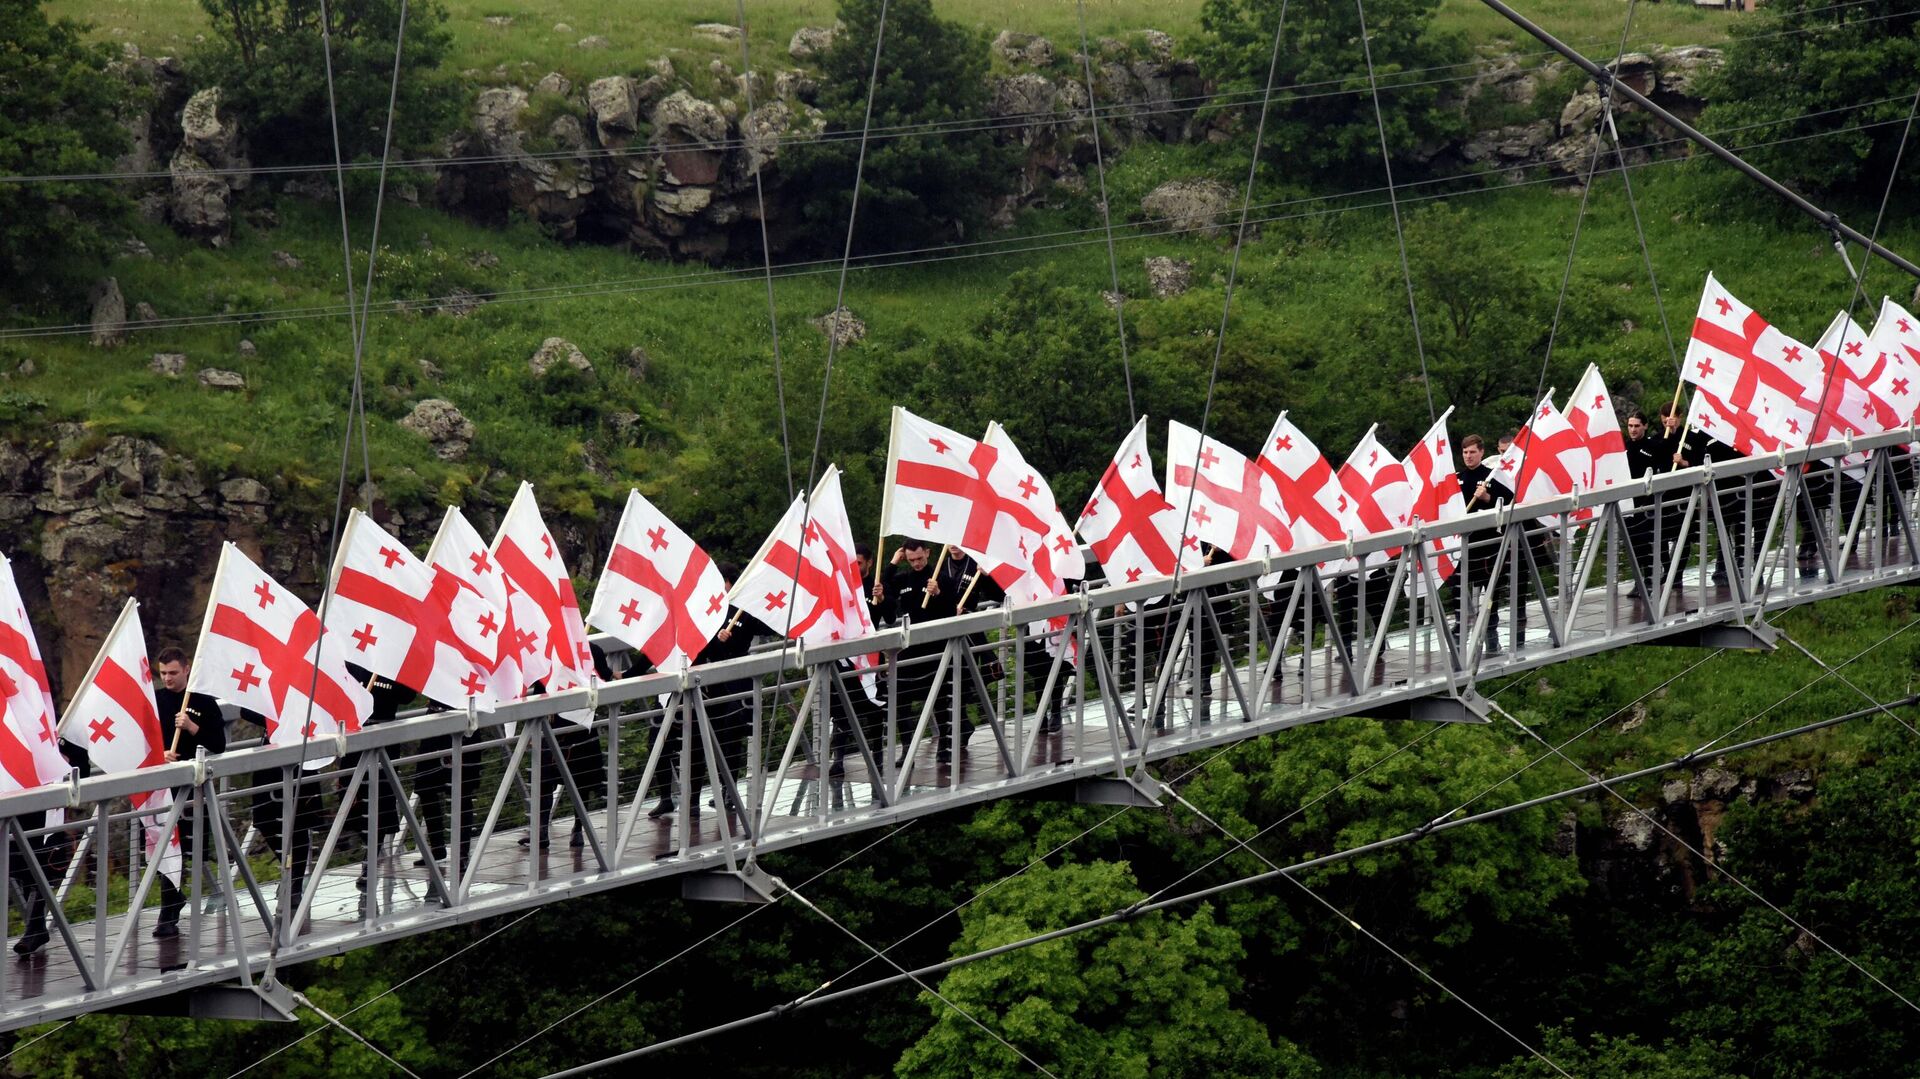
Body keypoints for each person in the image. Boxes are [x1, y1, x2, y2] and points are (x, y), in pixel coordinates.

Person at [150, 646, 225, 934]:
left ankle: (180, 907)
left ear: (186, 669)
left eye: (173, 673)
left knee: (191, 851)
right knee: (165, 850)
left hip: (195, 791)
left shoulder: (203, 701)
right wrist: (160, 754)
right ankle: (168, 914)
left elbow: (219, 744)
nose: (167, 678)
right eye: (163, 673)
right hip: (164, 789)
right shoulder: (155, 701)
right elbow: (146, 740)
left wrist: (193, 727)